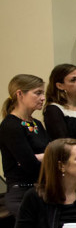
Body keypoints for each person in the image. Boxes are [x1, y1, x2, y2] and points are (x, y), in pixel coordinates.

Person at [1, 74, 50, 217]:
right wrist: (47, 156)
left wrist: (39, 156)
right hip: (22, 193)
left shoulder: (37, 124)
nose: (43, 98)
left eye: (43, 93)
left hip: (42, 189)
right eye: (38, 93)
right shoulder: (10, 125)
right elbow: (30, 165)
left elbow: (53, 153)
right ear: (20, 94)